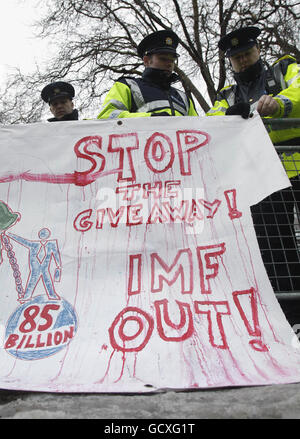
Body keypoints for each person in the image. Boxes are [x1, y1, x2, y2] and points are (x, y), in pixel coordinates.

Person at [207, 26, 300, 293]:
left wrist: (280, 105)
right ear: (231, 62)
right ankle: (291, 307)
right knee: (276, 243)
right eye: (237, 58)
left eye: (248, 53)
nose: (244, 60)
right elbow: (211, 118)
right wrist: (230, 116)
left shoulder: (284, 70)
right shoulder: (226, 95)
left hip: (296, 165)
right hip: (263, 175)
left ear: (259, 51)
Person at [97, 29, 198, 119]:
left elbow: (198, 127)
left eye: (172, 60)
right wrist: (150, 119)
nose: (169, 64)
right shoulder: (127, 86)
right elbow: (107, 117)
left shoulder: (184, 98)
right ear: (146, 61)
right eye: (163, 59)